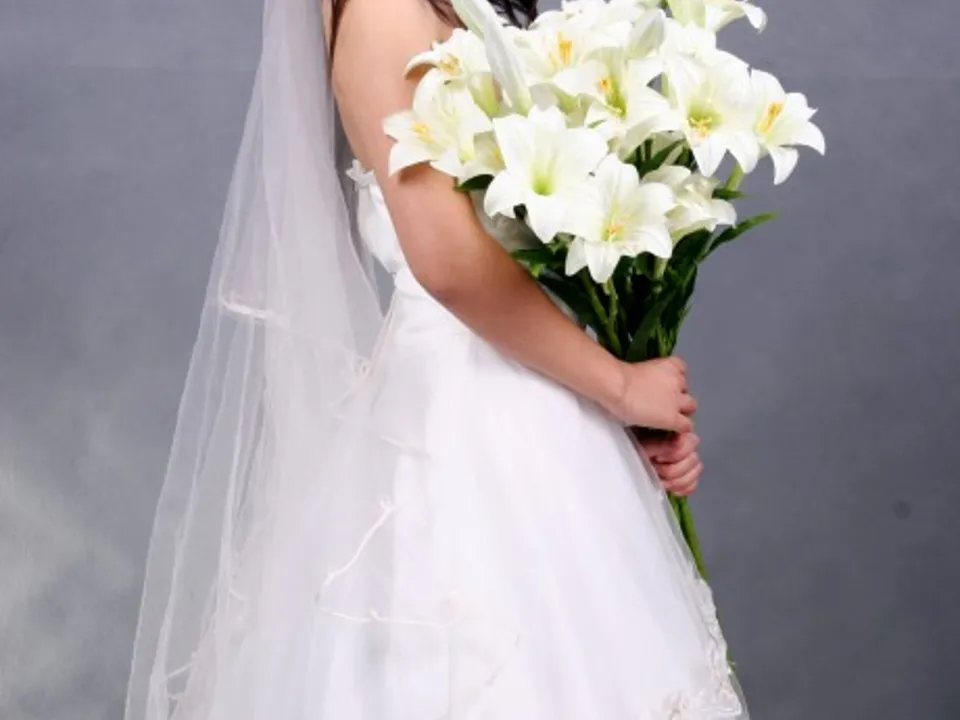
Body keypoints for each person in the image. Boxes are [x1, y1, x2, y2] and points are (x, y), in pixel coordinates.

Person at [123, 0, 748, 717]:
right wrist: (620, 387)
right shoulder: (385, 12)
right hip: (471, 408)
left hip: (534, 383)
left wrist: (622, 389)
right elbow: (449, 263)